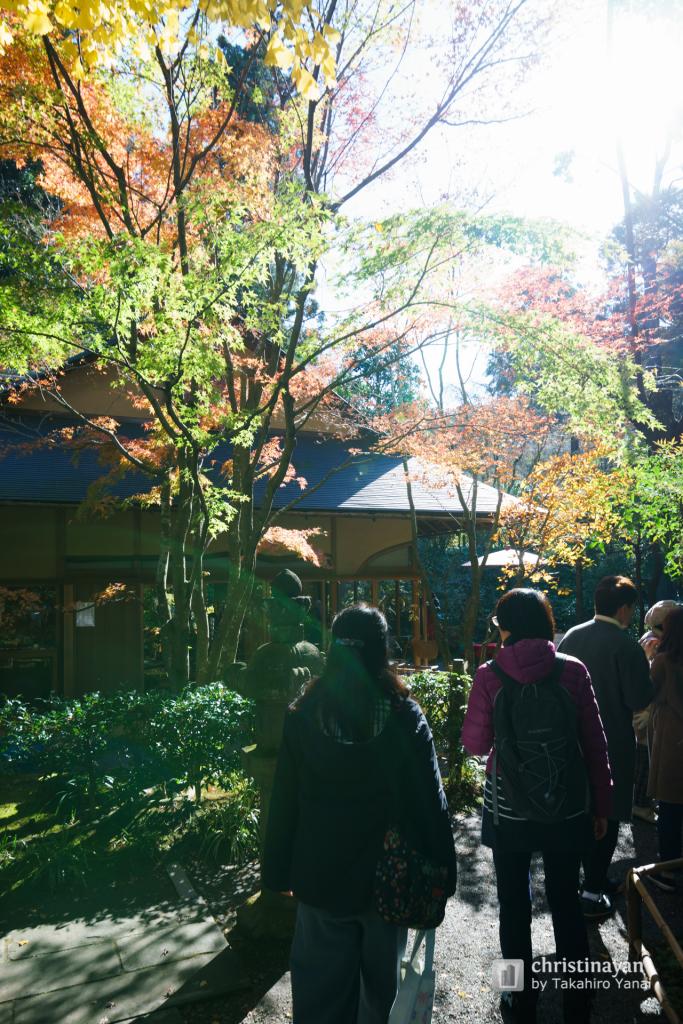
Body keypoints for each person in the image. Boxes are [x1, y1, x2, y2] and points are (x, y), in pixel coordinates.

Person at [262, 603, 458, 1024]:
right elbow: (430, 800)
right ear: (381, 650)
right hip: (386, 880)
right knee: (381, 994)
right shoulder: (405, 716)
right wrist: (444, 867)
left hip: (318, 875)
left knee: (319, 992)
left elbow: (284, 800)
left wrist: (277, 872)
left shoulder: (304, 714)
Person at [462, 588, 611, 1024]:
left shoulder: (489, 675)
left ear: (505, 628)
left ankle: (516, 997)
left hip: (509, 809)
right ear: (546, 624)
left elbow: (474, 744)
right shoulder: (573, 671)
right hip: (566, 808)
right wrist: (601, 804)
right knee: (566, 901)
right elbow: (595, 745)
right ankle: (578, 1000)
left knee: (512, 904)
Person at [558, 575, 652, 917]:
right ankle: (593, 889)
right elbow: (640, 697)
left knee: (582, 812)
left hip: (572, 741)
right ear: (625, 608)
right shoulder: (625, 645)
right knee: (607, 816)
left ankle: (590, 880)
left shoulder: (571, 635)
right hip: (612, 742)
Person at [633, 601, 681, 824]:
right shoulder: (656, 646)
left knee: (651, 764)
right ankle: (641, 803)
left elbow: (648, 688)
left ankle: (643, 802)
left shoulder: (661, 651)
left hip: (659, 723)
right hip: (654, 720)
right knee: (645, 762)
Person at [647, 605, 683, 892]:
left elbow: (647, 693)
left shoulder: (664, 661)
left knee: (670, 808)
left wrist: (648, 658)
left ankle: (668, 871)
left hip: (673, 739)